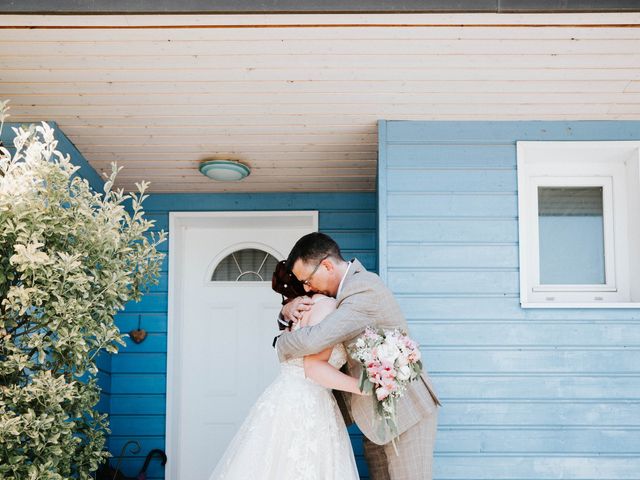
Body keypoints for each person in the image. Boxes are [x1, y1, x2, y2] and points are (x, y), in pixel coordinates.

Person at [276, 232, 441, 480]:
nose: (306, 288)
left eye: (307, 281)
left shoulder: (363, 288)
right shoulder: (339, 295)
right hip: (374, 419)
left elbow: (315, 339)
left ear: (327, 265)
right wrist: (284, 313)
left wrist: (280, 342)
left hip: (405, 413)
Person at [208, 291, 365, 480]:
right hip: (310, 404)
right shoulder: (326, 306)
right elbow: (314, 368)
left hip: (285, 398)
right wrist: (365, 387)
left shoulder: (298, 311)